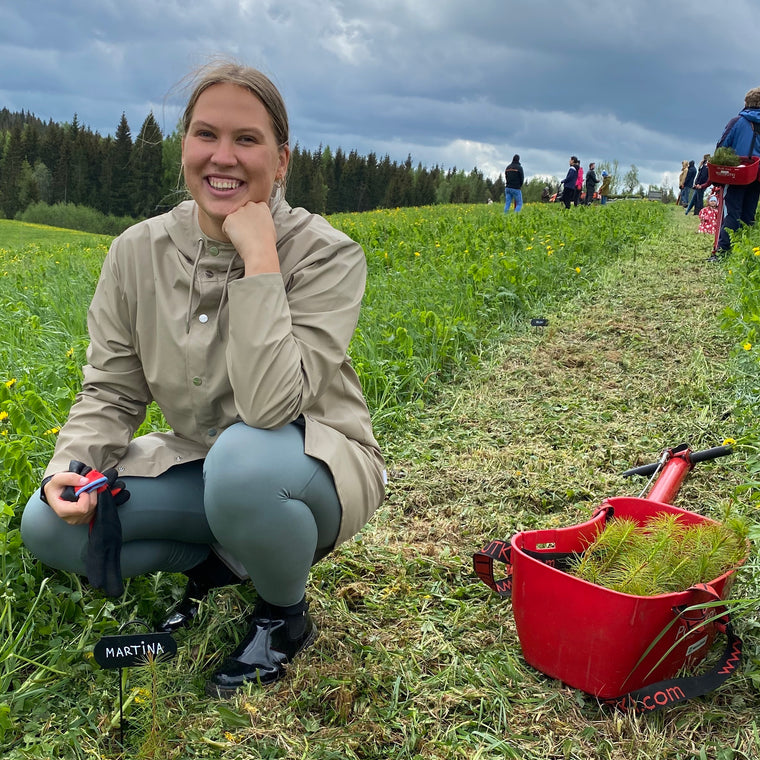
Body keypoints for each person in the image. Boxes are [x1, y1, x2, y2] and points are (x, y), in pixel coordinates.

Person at [20, 60, 386, 697]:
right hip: (201, 461)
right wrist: (70, 468)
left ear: (282, 160)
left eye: (247, 139)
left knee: (246, 462)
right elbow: (110, 388)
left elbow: (271, 406)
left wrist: (260, 256)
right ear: (184, 144)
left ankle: (283, 614)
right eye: (205, 135)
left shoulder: (327, 253)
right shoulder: (136, 251)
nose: (224, 156)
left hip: (308, 466)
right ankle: (223, 558)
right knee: (48, 525)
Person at [712, 86, 760, 258]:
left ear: (747, 103)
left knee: (732, 212)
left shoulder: (737, 122)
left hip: (737, 175)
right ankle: (744, 254)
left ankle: (723, 251)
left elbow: (722, 147)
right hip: (757, 176)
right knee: (749, 215)